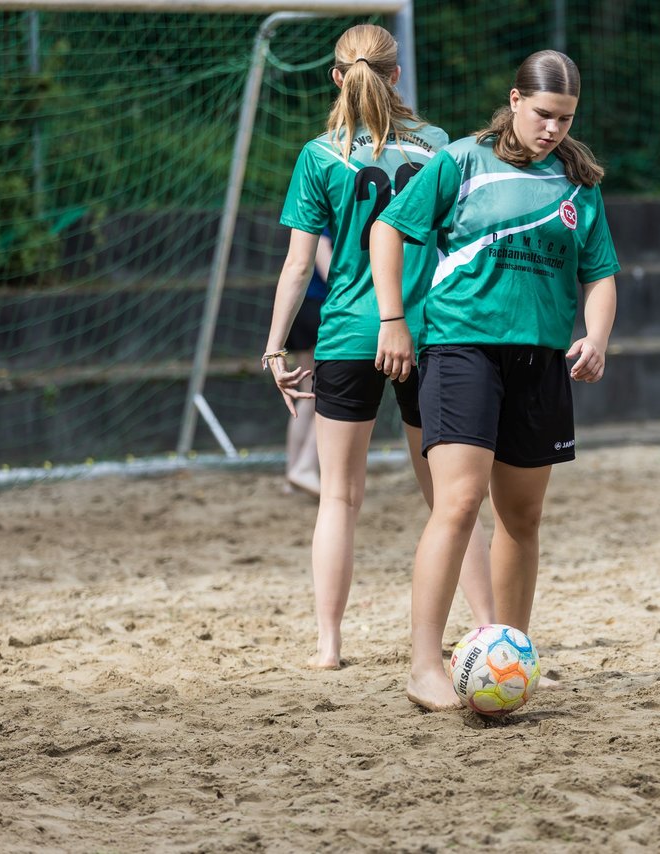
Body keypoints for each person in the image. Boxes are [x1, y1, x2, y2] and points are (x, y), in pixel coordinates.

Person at [370, 50, 619, 710]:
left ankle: (512, 654)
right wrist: (393, 318)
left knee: (523, 516)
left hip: (539, 362)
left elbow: (599, 272)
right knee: (458, 502)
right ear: (514, 100)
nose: (554, 129)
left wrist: (596, 336)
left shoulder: (577, 183)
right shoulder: (461, 161)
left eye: (566, 119)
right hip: (461, 350)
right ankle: (424, 664)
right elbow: (387, 230)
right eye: (543, 115)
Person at [263, 23, 495, 670]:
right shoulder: (441, 149)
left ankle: (329, 648)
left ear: (337, 76)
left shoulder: (320, 154)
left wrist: (275, 348)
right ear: (397, 76)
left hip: (345, 333)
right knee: (450, 497)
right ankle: (487, 631)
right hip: (426, 332)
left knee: (339, 496)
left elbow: (296, 266)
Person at [283, 229, 332, 497]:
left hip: (302, 305)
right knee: (325, 393)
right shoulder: (332, 208)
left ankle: (294, 474)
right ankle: (304, 467)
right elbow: (322, 256)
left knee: (308, 393)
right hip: (320, 307)